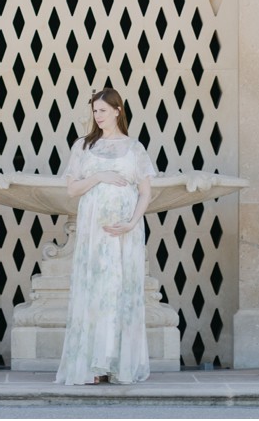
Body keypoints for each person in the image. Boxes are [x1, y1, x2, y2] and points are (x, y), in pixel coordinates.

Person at [55, 86, 157, 386]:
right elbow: (72, 189)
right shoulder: (83, 146)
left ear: (117, 110)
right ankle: (92, 365)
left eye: (102, 110)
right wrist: (98, 176)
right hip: (93, 236)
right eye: (94, 111)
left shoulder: (135, 148)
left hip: (124, 233)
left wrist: (131, 222)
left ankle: (117, 364)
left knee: (120, 293)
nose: (97, 116)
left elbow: (146, 193)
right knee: (95, 292)